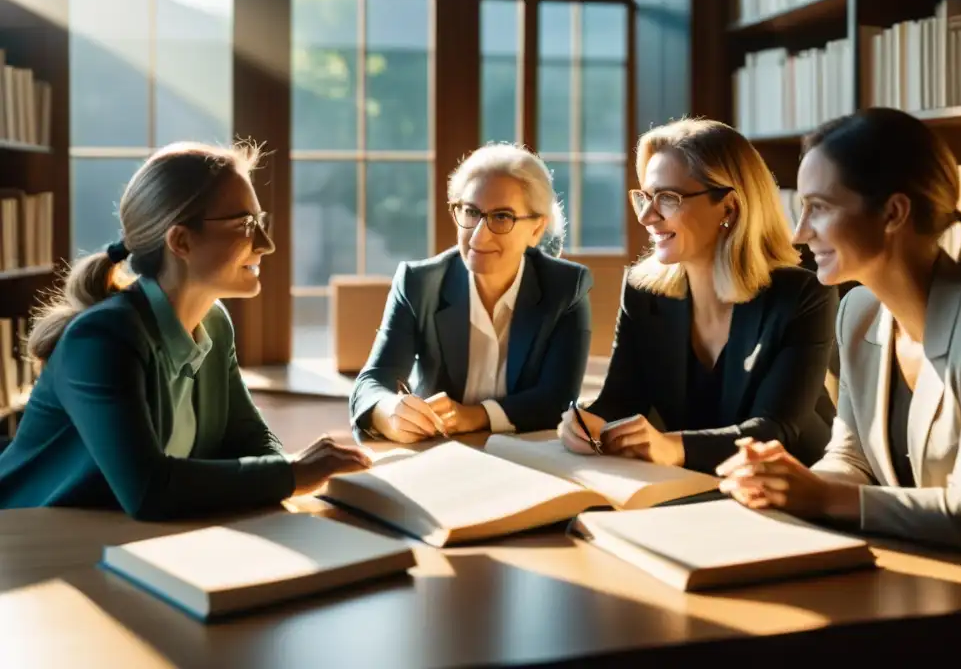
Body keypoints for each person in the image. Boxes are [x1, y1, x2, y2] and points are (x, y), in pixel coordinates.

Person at [0, 142, 370, 519]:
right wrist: (290, 473)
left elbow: (248, 439)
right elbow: (149, 490)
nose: (266, 244)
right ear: (180, 240)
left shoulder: (213, 322)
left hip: (116, 539)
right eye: (246, 225)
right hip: (27, 542)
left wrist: (287, 475)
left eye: (261, 222)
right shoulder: (101, 339)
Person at [717, 108, 961, 552]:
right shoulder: (857, 311)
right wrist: (785, 490)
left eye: (818, 208)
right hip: (919, 569)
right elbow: (851, 456)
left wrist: (821, 497)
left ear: (893, 213)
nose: (800, 233)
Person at [560, 118, 838, 474]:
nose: (647, 216)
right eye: (645, 197)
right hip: (690, 482)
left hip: (791, 485)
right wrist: (585, 421)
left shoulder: (803, 296)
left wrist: (669, 446)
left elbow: (775, 430)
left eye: (668, 198)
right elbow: (621, 399)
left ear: (729, 208)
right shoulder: (643, 292)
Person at [350, 143, 593, 442]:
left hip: (528, 455)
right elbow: (372, 381)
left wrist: (473, 416)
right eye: (471, 211)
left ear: (536, 229)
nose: (479, 235)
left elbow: (557, 399)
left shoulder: (566, 288)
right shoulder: (419, 283)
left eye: (502, 217)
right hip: (438, 450)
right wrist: (387, 411)